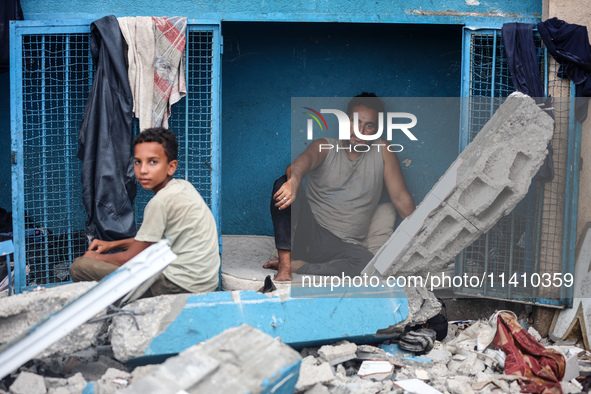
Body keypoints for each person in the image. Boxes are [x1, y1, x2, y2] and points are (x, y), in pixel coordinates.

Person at [264, 93, 415, 281]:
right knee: (282, 184)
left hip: (341, 247)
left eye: (369, 126)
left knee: (368, 264)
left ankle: (300, 267)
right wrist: (293, 181)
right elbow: (301, 164)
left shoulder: (383, 151)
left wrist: (423, 236)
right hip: (308, 231)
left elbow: (401, 199)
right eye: (356, 122)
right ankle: (285, 267)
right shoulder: (325, 146)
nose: (360, 131)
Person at [70, 127, 220, 296]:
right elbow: (151, 241)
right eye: (137, 162)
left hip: (177, 286)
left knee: (79, 267)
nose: (143, 170)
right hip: (205, 283)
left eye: (153, 162)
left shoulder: (160, 202)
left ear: (171, 167)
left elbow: (130, 258)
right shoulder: (183, 187)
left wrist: (95, 258)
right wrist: (112, 245)